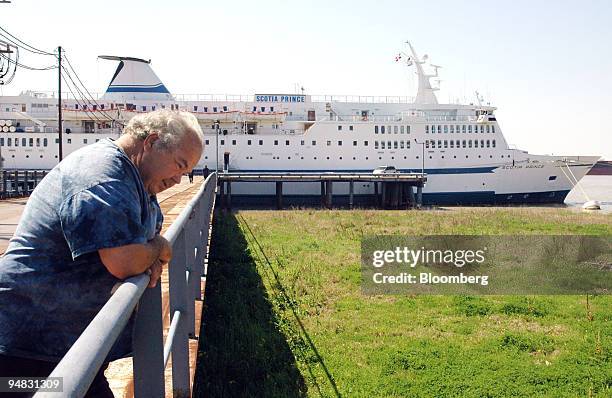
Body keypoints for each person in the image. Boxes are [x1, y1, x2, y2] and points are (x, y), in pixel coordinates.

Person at [0, 110, 204, 397]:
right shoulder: (102, 175)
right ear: (152, 142)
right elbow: (124, 261)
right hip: (24, 348)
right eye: (179, 166)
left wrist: (147, 252)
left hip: (66, 342)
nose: (179, 181)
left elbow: (141, 242)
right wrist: (158, 249)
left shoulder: (137, 179)